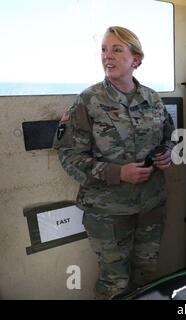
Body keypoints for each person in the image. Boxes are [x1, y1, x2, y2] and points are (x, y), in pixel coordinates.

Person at [53, 26, 175, 299]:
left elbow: (169, 136)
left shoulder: (153, 99)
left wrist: (167, 153)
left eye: (117, 49)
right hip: (108, 213)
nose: (108, 56)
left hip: (151, 206)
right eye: (104, 50)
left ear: (136, 59)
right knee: (115, 284)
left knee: (146, 276)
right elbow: (68, 156)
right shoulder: (88, 101)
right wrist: (118, 173)